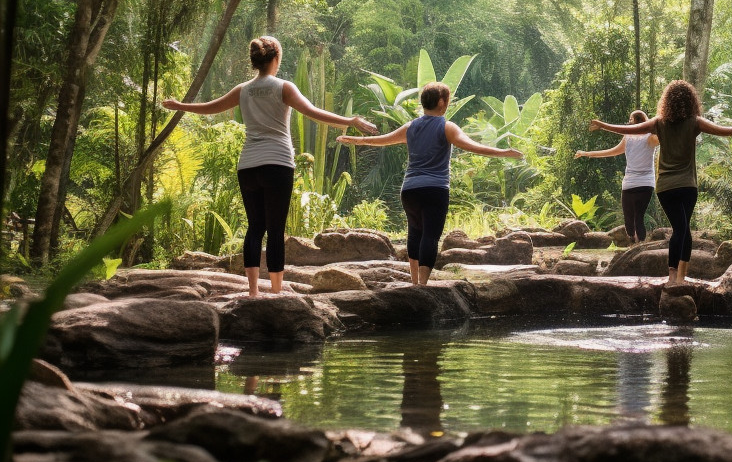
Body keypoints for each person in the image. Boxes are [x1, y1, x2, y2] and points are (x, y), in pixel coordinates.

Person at [163, 36, 378, 297]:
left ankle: (253, 291)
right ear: (276, 58)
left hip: (249, 166)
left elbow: (210, 108)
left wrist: (179, 106)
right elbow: (312, 112)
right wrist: (350, 120)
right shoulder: (283, 87)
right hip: (277, 163)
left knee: (255, 227)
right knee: (275, 229)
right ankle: (276, 292)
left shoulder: (243, 89)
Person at [591, 80, 732, 283]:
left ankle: (679, 276)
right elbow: (730, 131)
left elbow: (628, 130)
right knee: (682, 229)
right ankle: (676, 277)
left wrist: (602, 125)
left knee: (682, 229)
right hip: (688, 186)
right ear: (691, 100)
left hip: (665, 187)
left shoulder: (658, 122)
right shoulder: (695, 121)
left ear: (667, 101)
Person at [337, 82, 524, 285]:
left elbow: (382, 140)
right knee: (430, 236)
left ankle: (414, 282)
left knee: (415, 233)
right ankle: (423, 286)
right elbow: (472, 147)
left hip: (409, 190)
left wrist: (358, 140)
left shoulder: (411, 127)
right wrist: (503, 152)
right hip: (434, 189)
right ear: (442, 102)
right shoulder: (446, 127)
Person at [574, 109, 659, 244]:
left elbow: (663, 137)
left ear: (639, 121)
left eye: (631, 120)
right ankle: (633, 244)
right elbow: (612, 151)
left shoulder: (650, 137)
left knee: (638, 217)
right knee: (628, 220)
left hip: (645, 183)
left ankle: (640, 246)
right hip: (628, 183)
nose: (628, 122)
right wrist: (586, 153)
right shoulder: (628, 137)